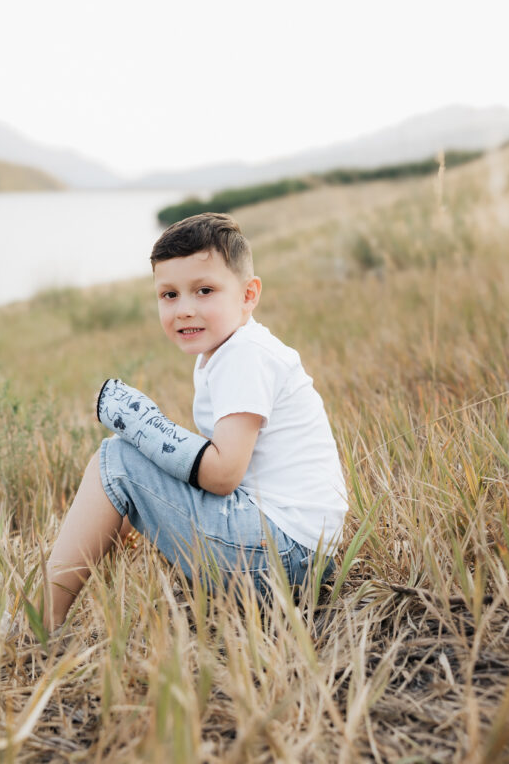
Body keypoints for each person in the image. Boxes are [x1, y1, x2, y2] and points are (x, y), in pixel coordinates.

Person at [44, 213, 346, 629]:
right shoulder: (230, 351)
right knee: (130, 465)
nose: (184, 309)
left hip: (283, 557)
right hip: (299, 555)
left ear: (248, 294)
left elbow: (223, 474)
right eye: (169, 295)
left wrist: (148, 430)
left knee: (117, 459)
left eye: (204, 291)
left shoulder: (244, 356)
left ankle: (38, 625)